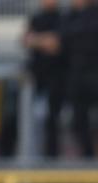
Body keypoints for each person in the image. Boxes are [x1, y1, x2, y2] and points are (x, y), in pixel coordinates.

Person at [62, 0, 98, 158]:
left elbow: (94, 32)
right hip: (78, 74)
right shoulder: (72, 13)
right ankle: (88, 158)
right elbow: (64, 36)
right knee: (79, 120)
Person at [24, 0, 66, 157]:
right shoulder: (36, 18)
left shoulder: (63, 18)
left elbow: (56, 43)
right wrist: (43, 41)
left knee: (52, 120)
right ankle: (31, 155)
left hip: (56, 77)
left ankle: (51, 157)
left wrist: (36, 40)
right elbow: (25, 40)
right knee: (28, 119)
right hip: (37, 77)